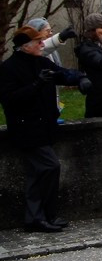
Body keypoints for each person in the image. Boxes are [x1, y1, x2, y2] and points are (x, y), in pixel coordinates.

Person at [0, 25, 92, 232]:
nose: (43, 44)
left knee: (36, 174)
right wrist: (36, 86)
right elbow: (10, 99)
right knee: (49, 166)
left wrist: (81, 78)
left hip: (44, 127)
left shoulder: (40, 62)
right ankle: (39, 216)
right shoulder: (9, 69)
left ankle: (39, 217)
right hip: (27, 130)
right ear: (25, 46)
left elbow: (63, 74)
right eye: (38, 42)